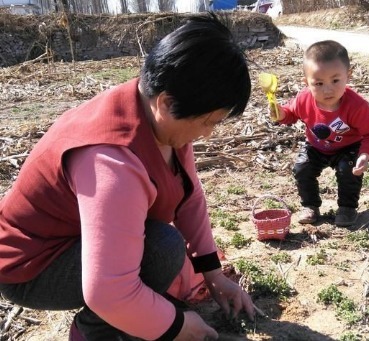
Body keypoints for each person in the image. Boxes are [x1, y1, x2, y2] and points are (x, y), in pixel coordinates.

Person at [0, 13, 255, 340]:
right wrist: (177, 326)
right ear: (167, 103)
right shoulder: (111, 161)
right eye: (208, 122)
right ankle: (94, 331)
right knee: (162, 248)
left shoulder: (158, 115)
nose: (208, 133)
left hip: (74, 241)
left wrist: (214, 276)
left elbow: (189, 198)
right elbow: (107, 291)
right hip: (31, 267)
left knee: (161, 249)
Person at [272, 40, 369, 227]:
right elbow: (290, 114)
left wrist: (365, 154)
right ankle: (310, 206)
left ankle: (347, 208)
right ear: (306, 82)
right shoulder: (303, 98)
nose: (328, 89)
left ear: (348, 76)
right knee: (302, 168)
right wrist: (280, 113)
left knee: (348, 170)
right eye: (319, 83)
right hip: (316, 146)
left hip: (348, 147)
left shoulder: (357, 106)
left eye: (335, 80)